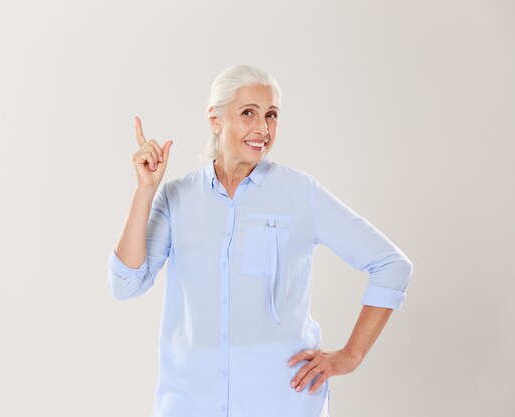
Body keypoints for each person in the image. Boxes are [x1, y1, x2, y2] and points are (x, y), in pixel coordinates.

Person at [108, 64, 413, 417]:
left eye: (271, 115)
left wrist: (351, 355)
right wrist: (145, 192)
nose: (263, 129)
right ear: (215, 120)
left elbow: (391, 265)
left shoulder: (299, 193)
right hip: (190, 404)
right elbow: (125, 284)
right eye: (248, 113)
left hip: (280, 403)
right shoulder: (178, 197)